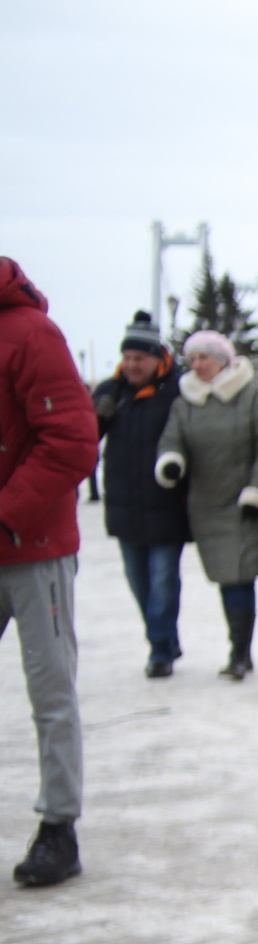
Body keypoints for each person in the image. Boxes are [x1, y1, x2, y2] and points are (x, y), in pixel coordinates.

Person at [0, 256, 97, 888]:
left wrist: (5, 513)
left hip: (32, 547)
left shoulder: (30, 334)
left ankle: (58, 826)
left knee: (50, 688)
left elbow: (72, 438)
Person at [154, 331, 258, 679]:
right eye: (192, 359)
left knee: (239, 575)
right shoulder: (185, 402)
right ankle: (241, 650)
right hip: (207, 502)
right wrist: (172, 462)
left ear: (222, 360)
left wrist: (257, 491)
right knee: (227, 576)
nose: (196, 365)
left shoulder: (249, 395)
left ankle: (240, 651)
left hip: (247, 501)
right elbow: (171, 439)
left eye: (203, 358)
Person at [92, 311, 192, 677]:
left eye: (140, 358)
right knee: (139, 582)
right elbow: (84, 439)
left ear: (156, 357)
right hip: (124, 502)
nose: (132, 365)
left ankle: (161, 648)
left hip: (166, 503)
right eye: (128, 358)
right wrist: (97, 417)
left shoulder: (178, 389)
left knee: (164, 581)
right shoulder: (110, 391)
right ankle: (163, 637)